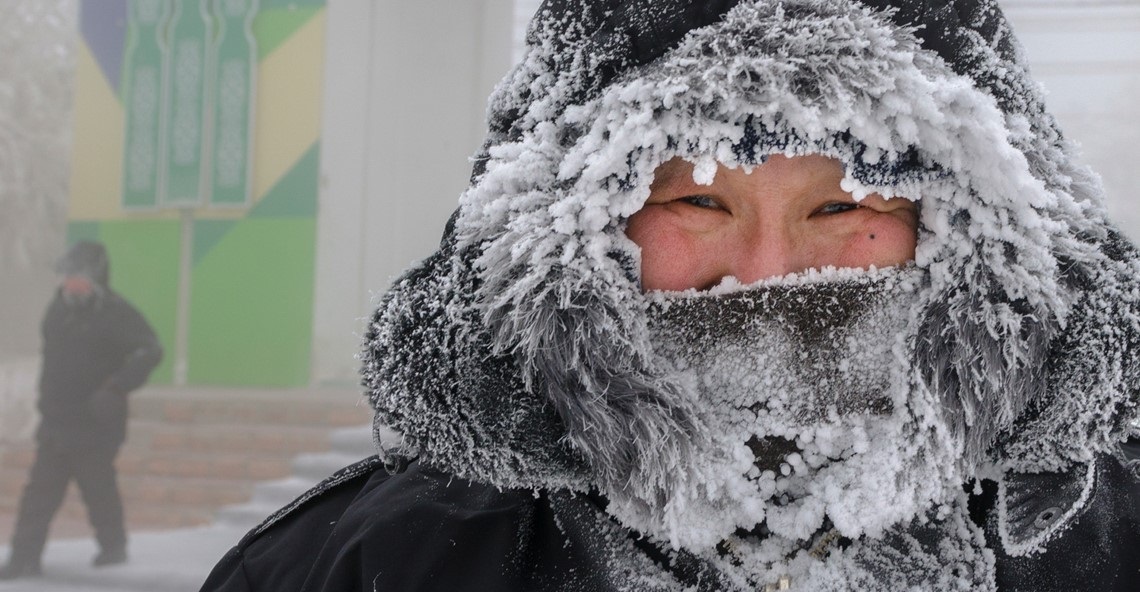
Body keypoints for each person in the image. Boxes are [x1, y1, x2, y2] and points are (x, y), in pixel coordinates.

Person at [201, 0, 1140, 590]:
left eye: (844, 203)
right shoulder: (370, 565)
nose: (768, 274)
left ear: (973, 231)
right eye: (698, 199)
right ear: (577, 230)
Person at [0, 241, 163, 580]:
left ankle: (113, 547)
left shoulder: (116, 312)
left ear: (96, 278)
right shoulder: (57, 310)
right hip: (57, 421)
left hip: (96, 424)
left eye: (78, 277)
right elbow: (54, 363)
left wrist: (117, 387)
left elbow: (150, 350)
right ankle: (23, 558)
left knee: (98, 489)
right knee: (38, 495)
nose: (70, 284)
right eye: (66, 277)